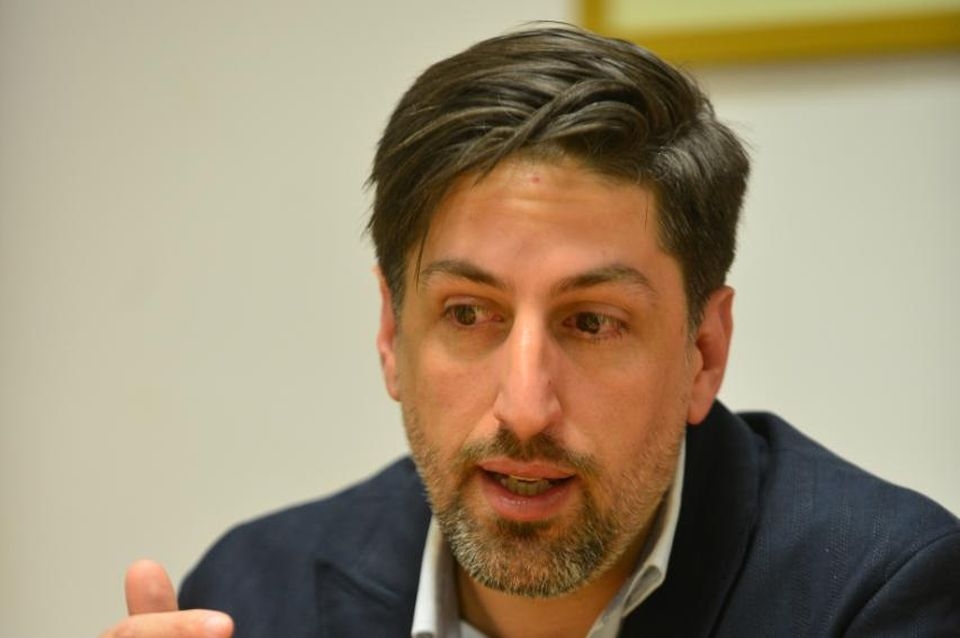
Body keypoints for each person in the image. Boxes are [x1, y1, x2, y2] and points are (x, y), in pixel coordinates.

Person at [101, 23, 960, 638]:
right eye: (468, 314)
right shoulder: (253, 597)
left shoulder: (876, 595)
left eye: (592, 322)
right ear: (392, 334)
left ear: (704, 353)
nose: (524, 407)